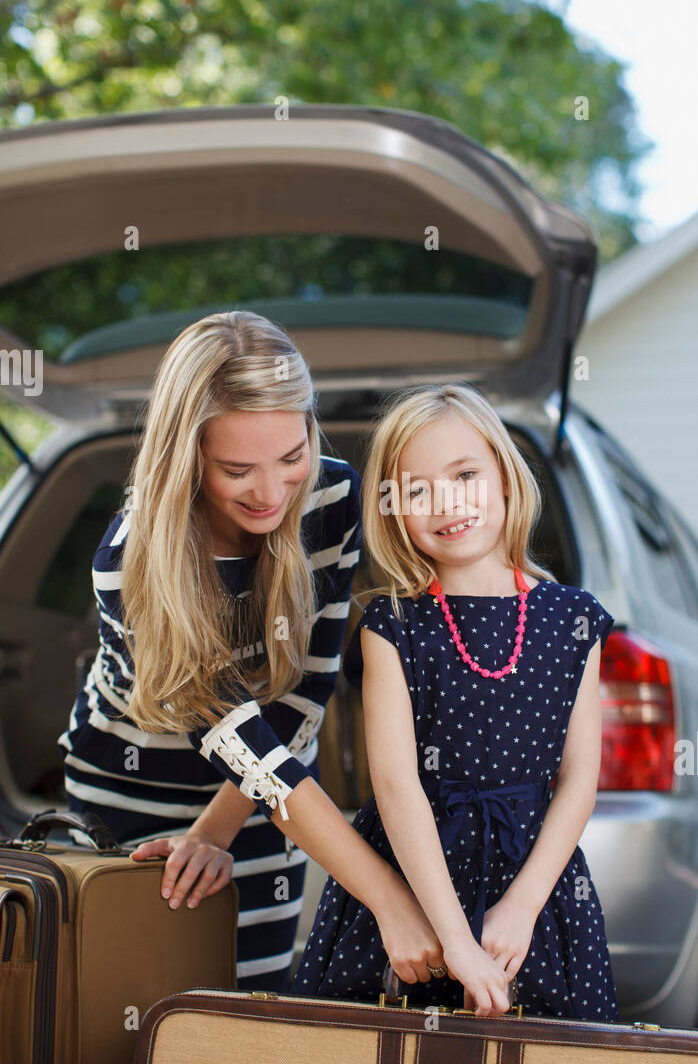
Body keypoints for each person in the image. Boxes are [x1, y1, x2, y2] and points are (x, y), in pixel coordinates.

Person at [58, 310, 446, 996]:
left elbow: (304, 698)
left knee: (250, 1012)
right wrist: (389, 901)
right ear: (188, 458)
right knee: (119, 1020)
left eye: (291, 458)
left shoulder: (330, 499)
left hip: (268, 795)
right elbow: (233, 735)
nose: (271, 494)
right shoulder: (129, 562)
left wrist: (216, 832)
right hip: (126, 801)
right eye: (237, 469)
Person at [289, 382, 621, 1020]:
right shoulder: (392, 623)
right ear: (393, 511)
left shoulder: (574, 619)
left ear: (503, 474)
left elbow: (579, 782)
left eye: (464, 474)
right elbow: (397, 786)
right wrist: (453, 941)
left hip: (535, 899)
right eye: (416, 490)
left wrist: (522, 906)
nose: (446, 503)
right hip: (417, 886)